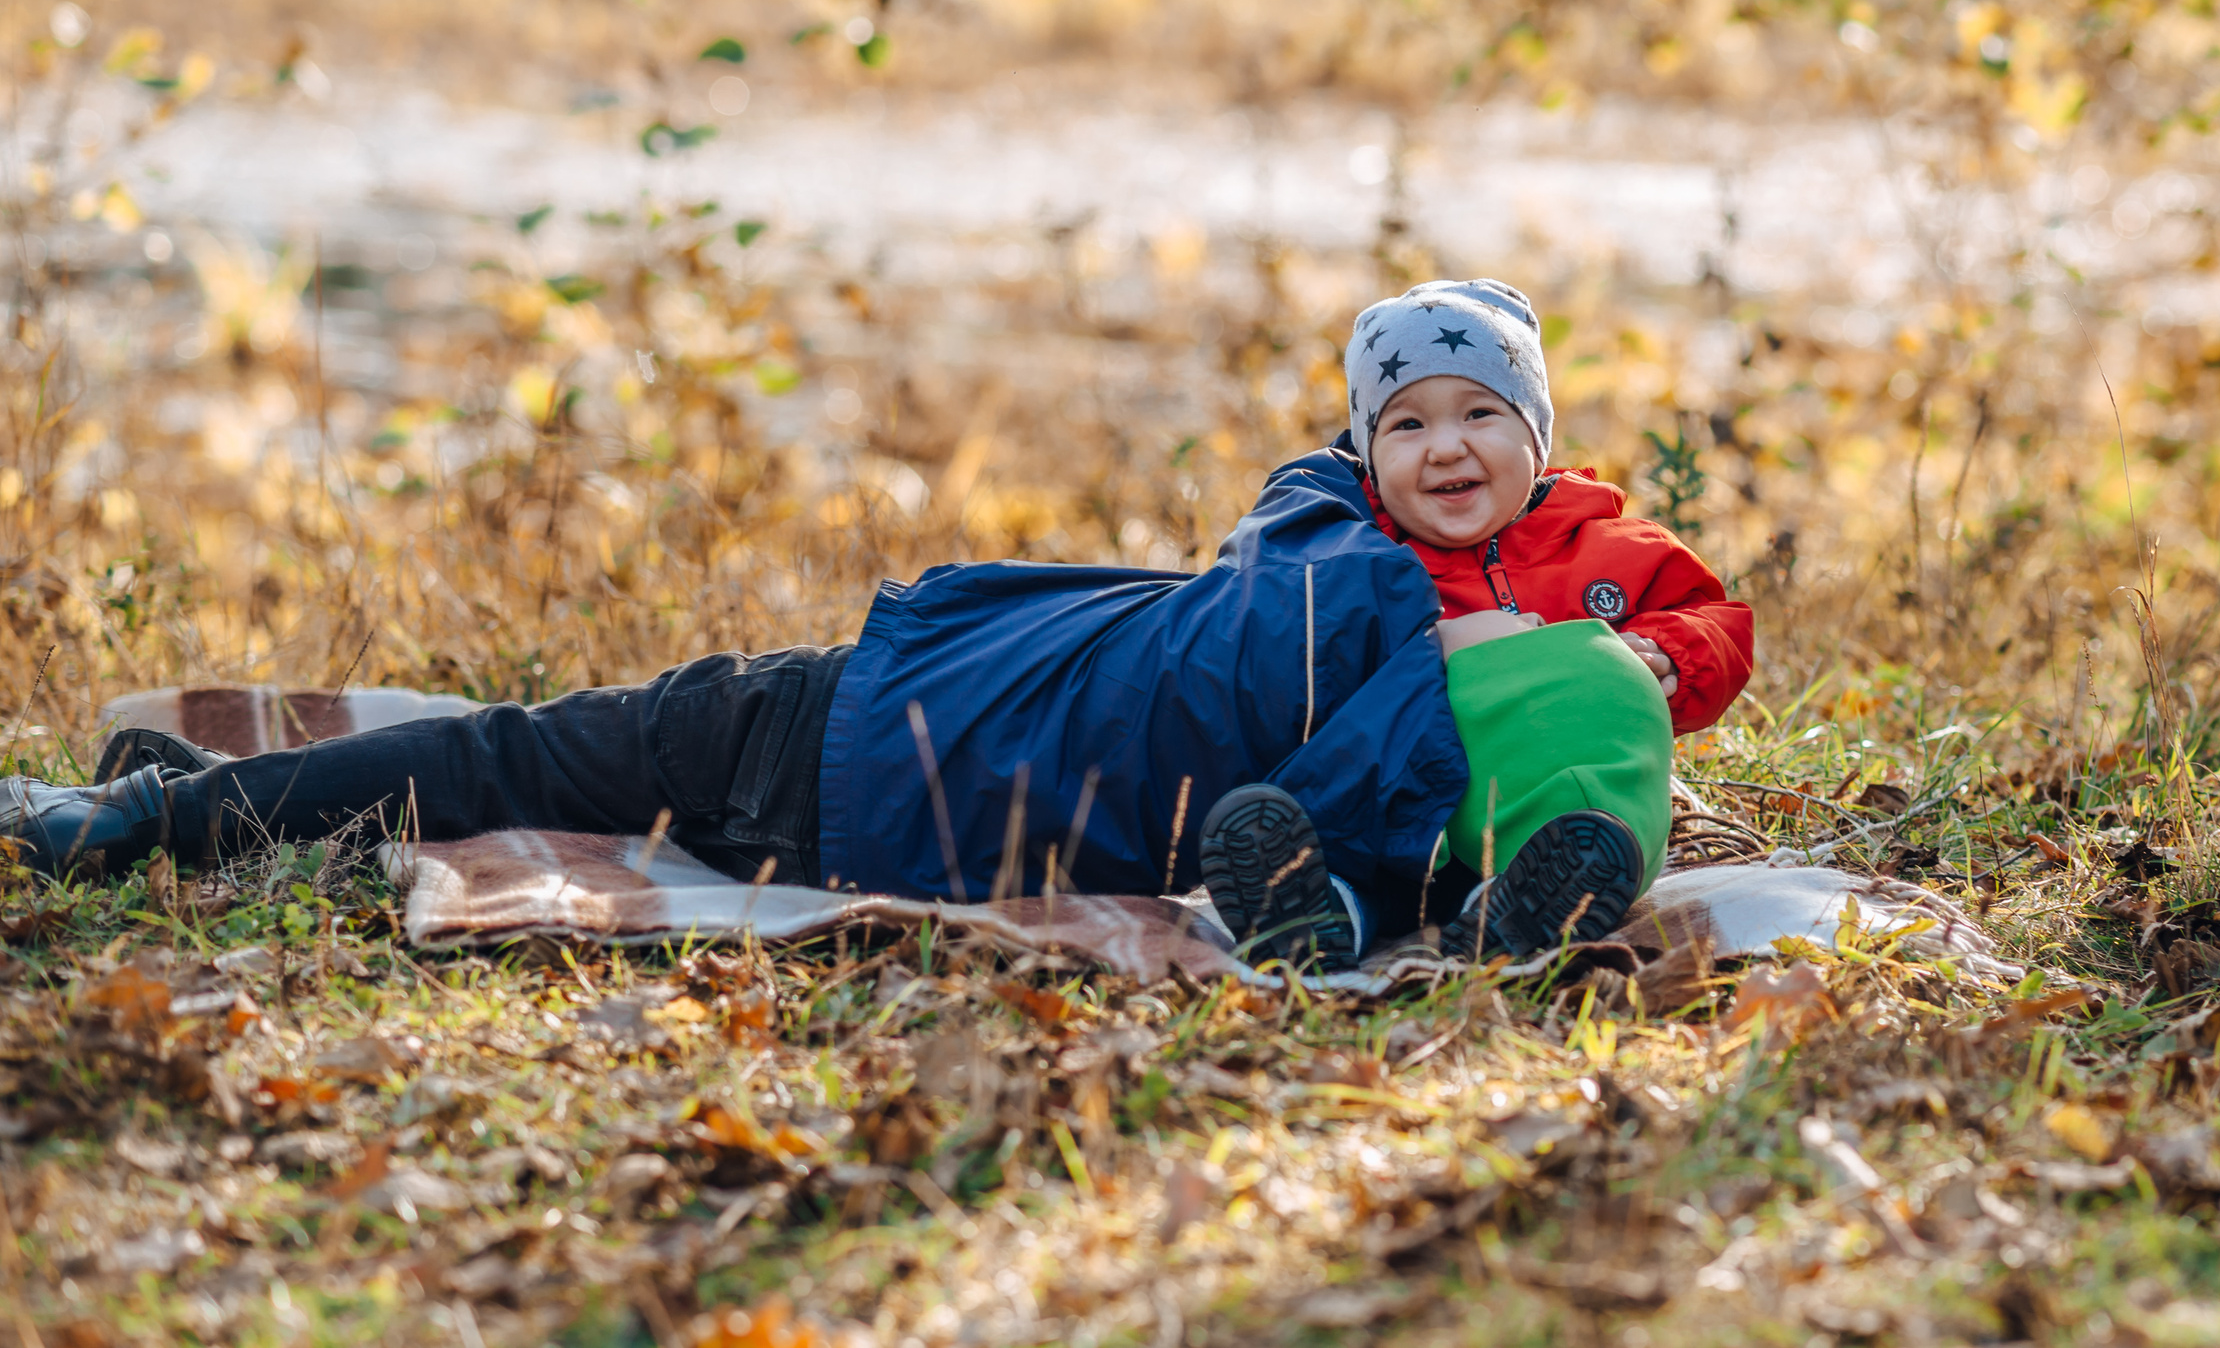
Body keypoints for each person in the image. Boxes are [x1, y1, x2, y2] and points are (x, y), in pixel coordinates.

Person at [2, 432, 1664, 967]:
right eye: (1423, 421)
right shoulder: (1371, 763)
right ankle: (163, 798)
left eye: (1474, 422)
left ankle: (126, 820)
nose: (1448, 453)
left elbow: (1303, 495)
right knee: (512, 765)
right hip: (891, 806)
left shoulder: (1334, 571)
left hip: (854, 732)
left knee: (503, 751)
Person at [1194, 278, 1753, 967]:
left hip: (1540, 822)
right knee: (1369, 781)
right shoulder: (1372, 559)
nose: (1446, 446)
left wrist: (1670, 651)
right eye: (1407, 424)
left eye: (1480, 412)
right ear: (1369, 458)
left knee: (1602, 732)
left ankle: (1538, 899)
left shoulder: (1609, 544)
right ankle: (1314, 904)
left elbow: (1718, 617)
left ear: (1535, 431)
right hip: (1406, 820)